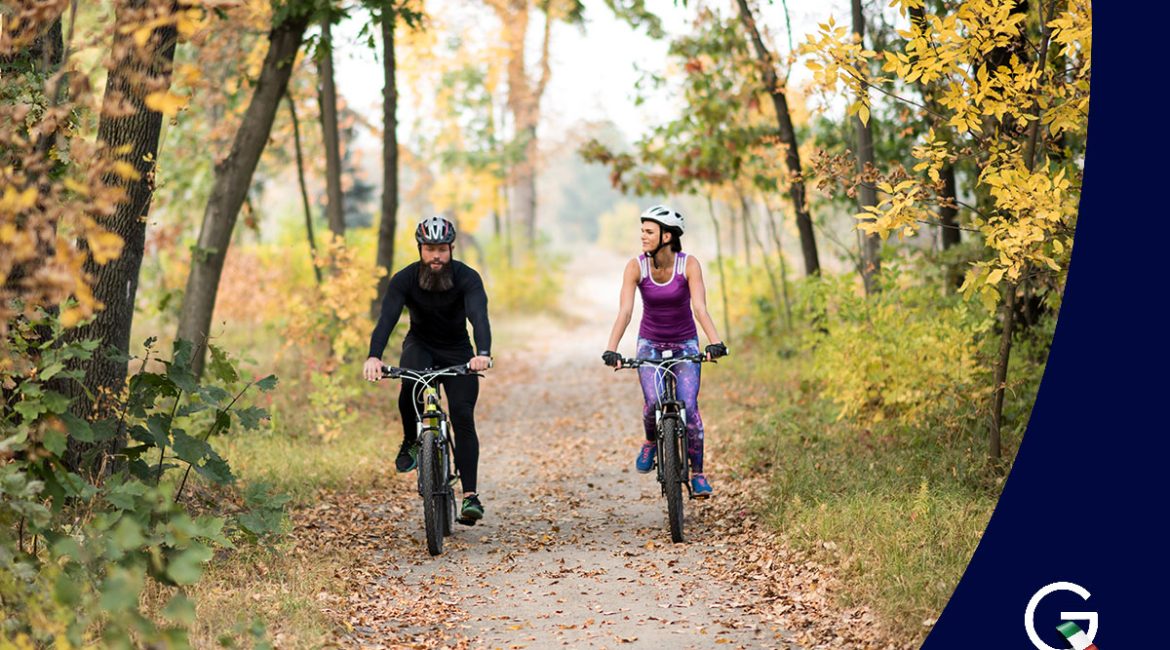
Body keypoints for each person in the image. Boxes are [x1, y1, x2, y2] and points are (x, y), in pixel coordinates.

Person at [363, 215, 493, 524]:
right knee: (409, 385)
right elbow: (387, 320)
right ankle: (411, 440)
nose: (436, 256)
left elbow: (478, 316)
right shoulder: (404, 279)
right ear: (421, 249)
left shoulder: (467, 278)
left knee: (462, 416)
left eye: (442, 249)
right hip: (420, 345)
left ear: (451, 249)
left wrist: (483, 353)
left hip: (458, 351)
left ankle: (470, 496)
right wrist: (374, 356)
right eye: (430, 249)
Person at [602, 205, 728, 497]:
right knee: (652, 402)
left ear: (667, 236)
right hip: (650, 344)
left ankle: (698, 475)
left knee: (690, 407)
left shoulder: (689, 265)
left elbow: (700, 308)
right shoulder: (636, 266)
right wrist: (612, 349)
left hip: (685, 344)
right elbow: (625, 311)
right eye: (642, 231)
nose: (643, 236)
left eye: (649, 231)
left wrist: (714, 342)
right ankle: (650, 442)